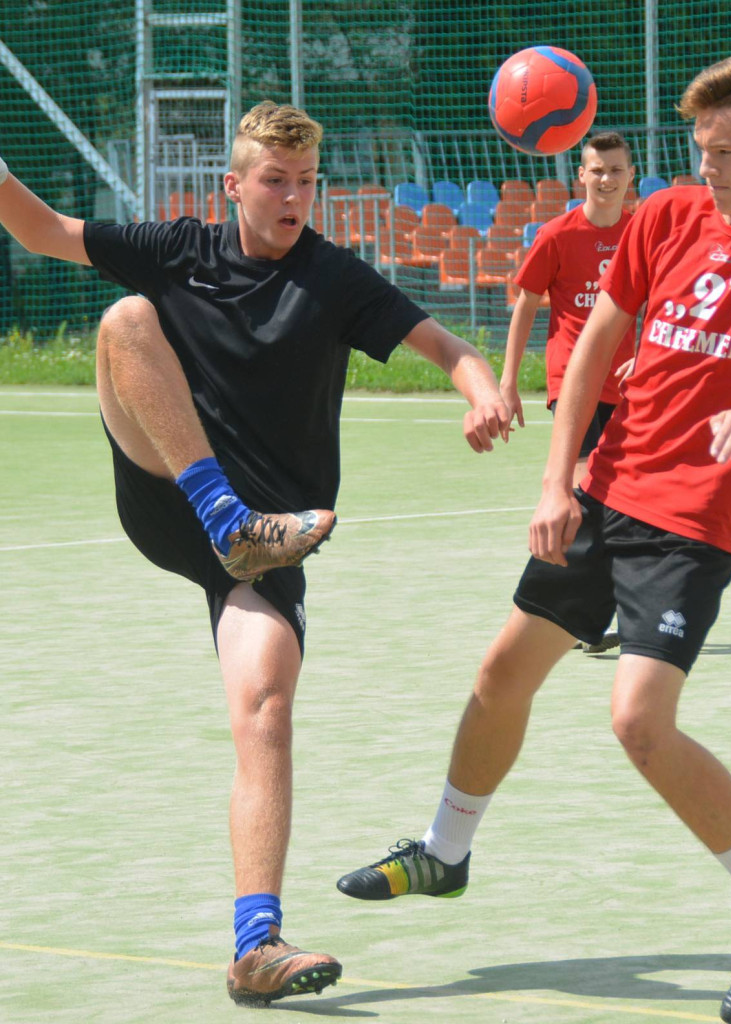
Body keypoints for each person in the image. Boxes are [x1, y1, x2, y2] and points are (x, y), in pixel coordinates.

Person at [0, 100, 511, 1007]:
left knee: (266, 708)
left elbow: (444, 343)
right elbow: (39, 229)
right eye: (274, 180)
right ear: (233, 185)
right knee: (124, 320)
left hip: (271, 542)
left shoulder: (334, 278)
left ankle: (255, 946)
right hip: (172, 495)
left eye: (306, 182)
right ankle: (224, 512)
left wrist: (480, 389)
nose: (292, 196)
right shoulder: (179, 249)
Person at [337, 51, 731, 1024]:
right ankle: (445, 852)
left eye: (728, 152)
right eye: (700, 149)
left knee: (638, 722)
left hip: (693, 518)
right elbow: (601, 345)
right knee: (501, 673)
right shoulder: (670, 218)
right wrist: (557, 478)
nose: (709, 168)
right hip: (607, 489)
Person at [501, 130, 636, 654]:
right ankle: (576, 612)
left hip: (629, 385)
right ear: (580, 175)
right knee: (585, 494)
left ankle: (601, 605)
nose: (605, 179)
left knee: (624, 500)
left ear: (630, 177)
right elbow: (526, 306)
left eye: (615, 170)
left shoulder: (640, 234)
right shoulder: (557, 235)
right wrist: (509, 382)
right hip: (575, 384)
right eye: (595, 169)